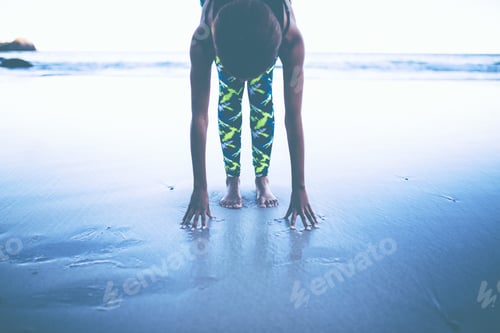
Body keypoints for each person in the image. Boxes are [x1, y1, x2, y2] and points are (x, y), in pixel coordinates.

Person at [182, 0, 318, 230]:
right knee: (229, 101)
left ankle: (262, 179)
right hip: (229, 30)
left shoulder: (290, 38)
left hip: (259, 31)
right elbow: (199, 116)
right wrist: (200, 188)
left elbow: (293, 115)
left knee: (262, 99)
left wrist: (300, 188)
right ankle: (232, 180)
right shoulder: (204, 38)